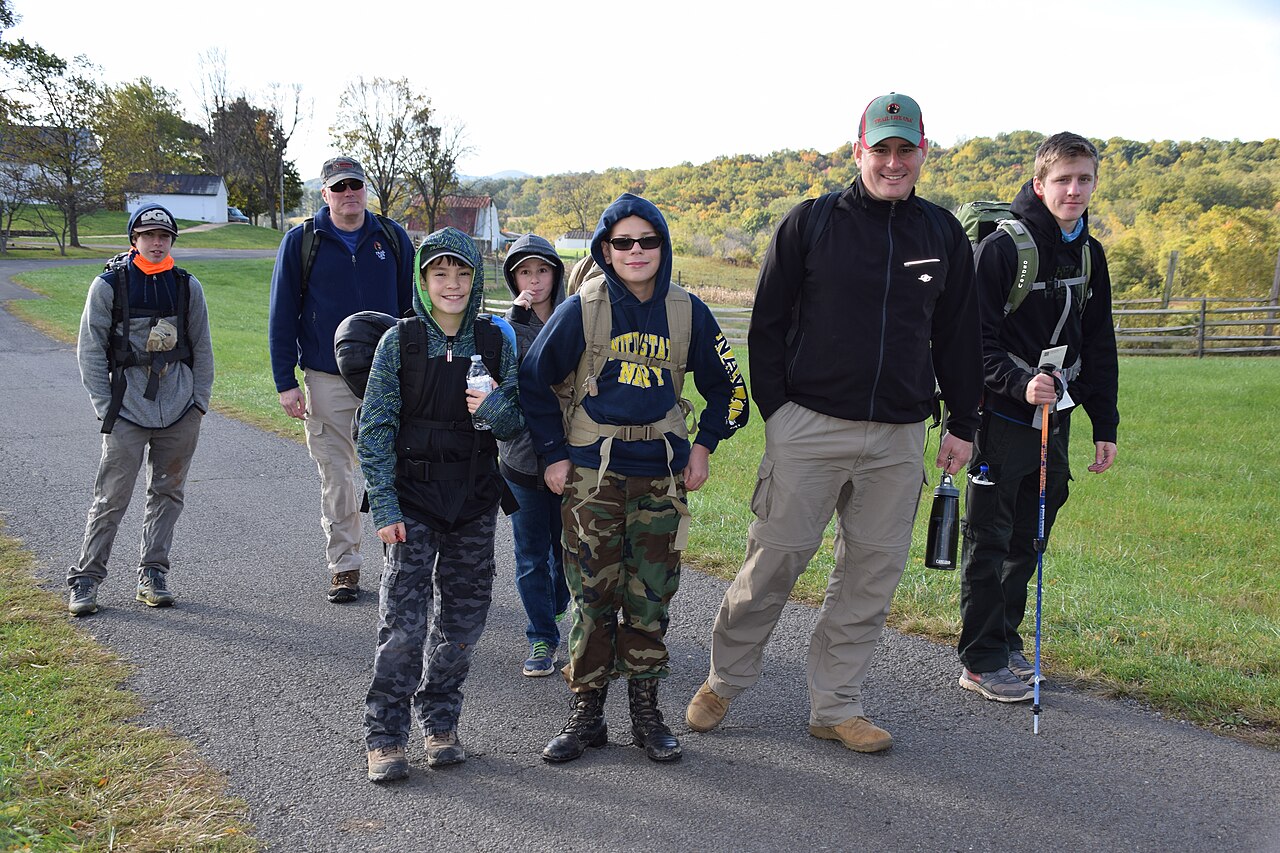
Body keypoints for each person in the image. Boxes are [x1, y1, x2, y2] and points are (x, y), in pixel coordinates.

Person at [685, 92, 983, 753]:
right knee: (773, 563)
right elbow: (767, 324)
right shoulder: (811, 223)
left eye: (906, 150)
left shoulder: (941, 235)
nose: (894, 162)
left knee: (870, 578)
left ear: (923, 153)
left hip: (899, 437)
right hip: (809, 426)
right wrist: (779, 414)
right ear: (858, 151)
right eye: (882, 149)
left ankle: (836, 705)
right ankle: (724, 680)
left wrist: (964, 421)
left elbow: (960, 336)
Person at [520, 193, 750, 764]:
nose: (635, 251)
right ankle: (586, 712)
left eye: (647, 240)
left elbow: (731, 390)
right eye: (622, 242)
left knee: (649, 598)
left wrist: (704, 446)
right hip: (592, 476)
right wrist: (552, 454)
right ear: (606, 250)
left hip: (661, 479)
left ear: (662, 246)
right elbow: (532, 379)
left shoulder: (688, 311)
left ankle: (646, 712)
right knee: (592, 597)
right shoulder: (583, 308)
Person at [956, 132, 1119, 702]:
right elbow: (972, 343)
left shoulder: (1089, 252)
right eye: (1063, 180)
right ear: (1039, 183)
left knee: (1030, 537)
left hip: (1057, 417)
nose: (1074, 190)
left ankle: (1006, 643)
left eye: (1084, 179)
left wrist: (1105, 424)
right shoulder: (1003, 250)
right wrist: (1019, 383)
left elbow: (1099, 343)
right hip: (1001, 418)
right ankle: (980, 660)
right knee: (989, 537)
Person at [357, 226, 523, 783]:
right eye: (439, 273)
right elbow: (375, 430)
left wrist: (493, 407)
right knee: (403, 628)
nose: (451, 284)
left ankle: (440, 722)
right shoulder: (399, 342)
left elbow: (514, 423)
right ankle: (386, 736)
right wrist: (384, 507)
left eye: (462, 273)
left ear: (476, 279)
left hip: (473, 502)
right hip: (411, 503)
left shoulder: (495, 341)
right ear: (423, 280)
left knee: (462, 625)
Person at [268, 156, 414, 603]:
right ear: (325, 193)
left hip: (388, 378)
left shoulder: (392, 237)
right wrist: (285, 381)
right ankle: (345, 566)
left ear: (365, 189)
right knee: (337, 477)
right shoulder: (302, 242)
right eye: (339, 187)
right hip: (326, 378)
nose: (349, 193)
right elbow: (282, 313)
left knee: (396, 470)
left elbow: (412, 308)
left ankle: (400, 564)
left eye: (355, 185)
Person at [67, 204, 214, 616]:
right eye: (148, 235)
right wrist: (104, 407)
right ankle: (86, 579)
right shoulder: (108, 286)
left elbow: (202, 348)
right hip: (126, 410)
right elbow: (90, 350)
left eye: (164, 236)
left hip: (180, 410)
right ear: (134, 239)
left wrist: (198, 403)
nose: (156, 243)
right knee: (111, 497)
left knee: (168, 493)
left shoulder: (186, 286)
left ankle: (153, 574)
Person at [496, 235, 571, 677]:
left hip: (568, 457)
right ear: (513, 279)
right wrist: (515, 320)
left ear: (556, 274)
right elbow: (499, 380)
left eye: (542, 270)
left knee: (566, 552)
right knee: (529, 555)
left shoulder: (575, 317)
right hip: (520, 460)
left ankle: (557, 603)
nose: (535, 280)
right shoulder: (505, 328)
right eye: (525, 272)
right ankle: (541, 636)